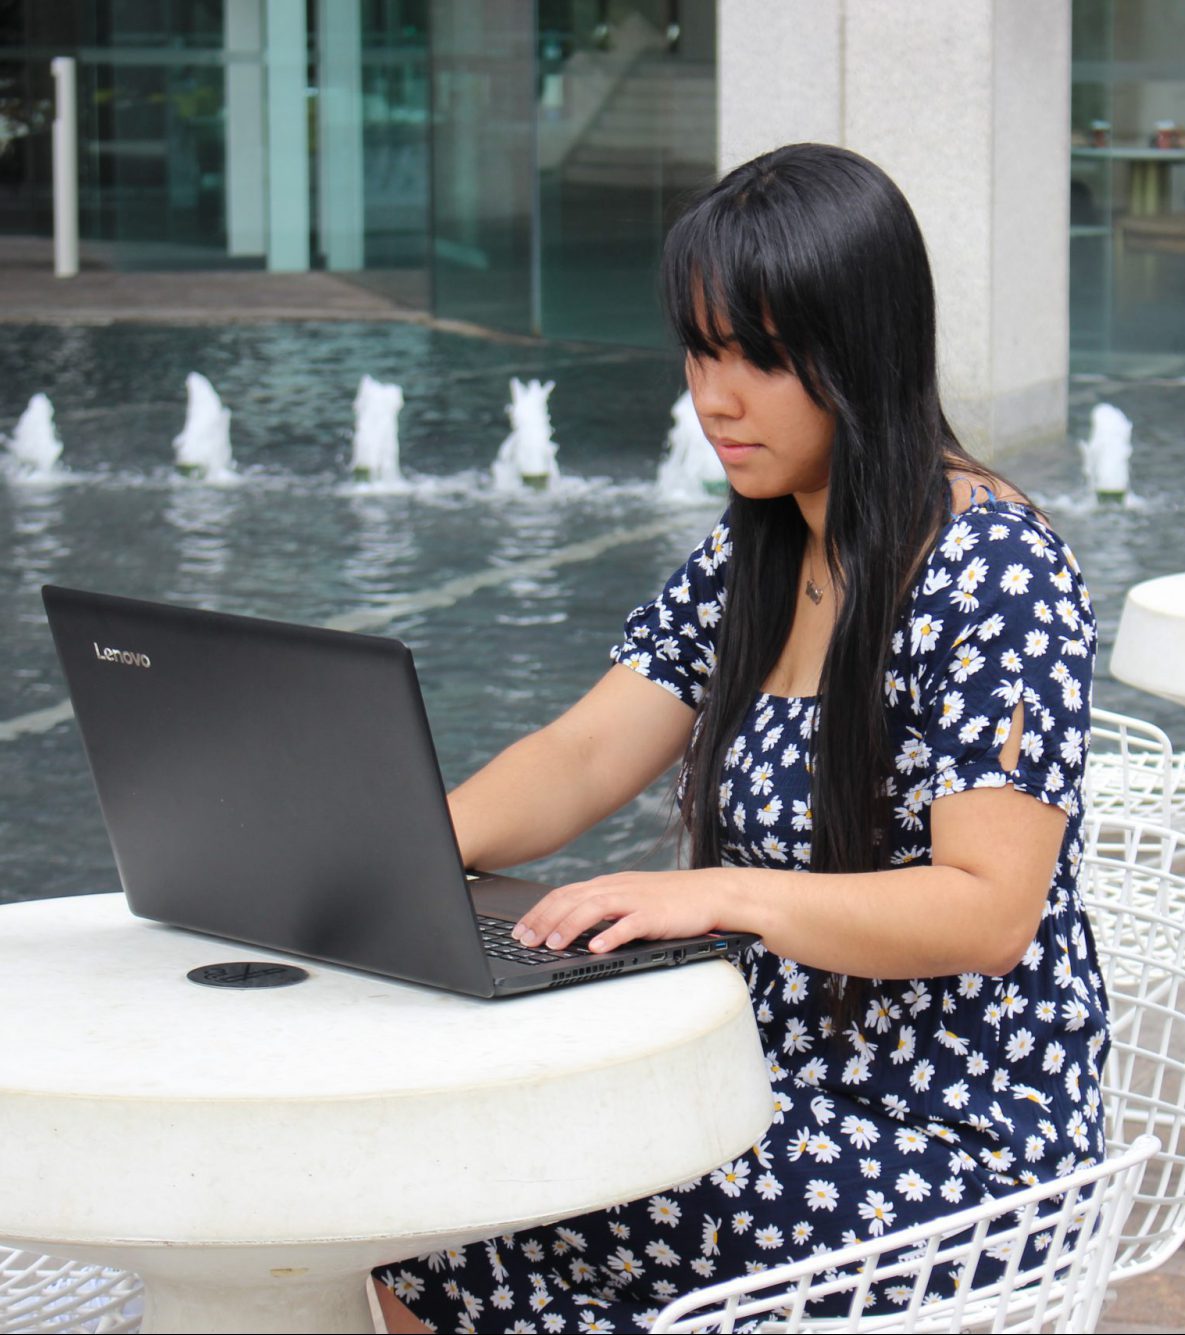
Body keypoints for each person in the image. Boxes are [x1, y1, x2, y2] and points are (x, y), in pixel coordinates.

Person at [373, 143, 1106, 1334]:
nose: (715, 397)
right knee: (434, 1208)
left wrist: (721, 895)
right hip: (762, 1091)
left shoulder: (993, 571)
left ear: (860, 351)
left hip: (955, 1153)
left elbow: (988, 908)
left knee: (452, 1190)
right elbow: (582, 757)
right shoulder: (761, 548)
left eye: (762, 358)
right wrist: (380, 853)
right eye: (704, 350)